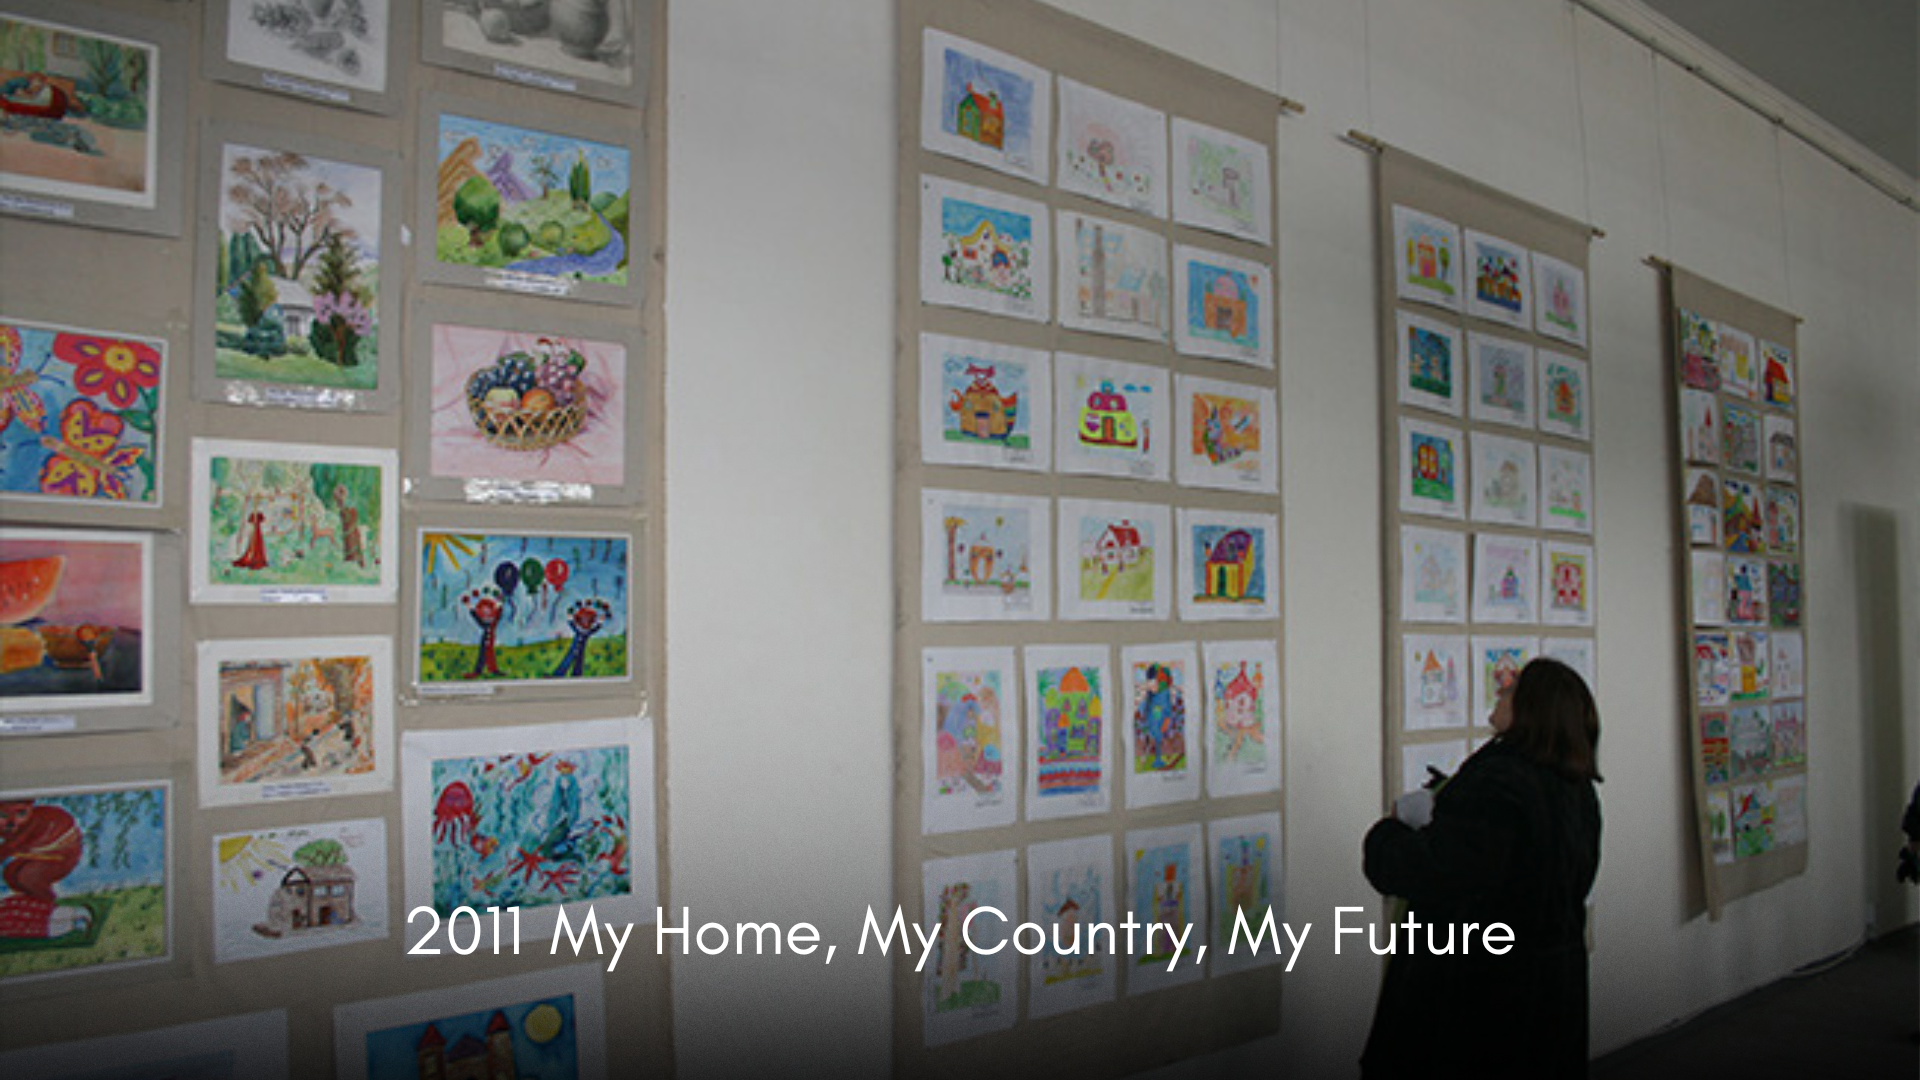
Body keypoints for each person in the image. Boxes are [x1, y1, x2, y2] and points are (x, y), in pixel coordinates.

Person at [1360, 657, 1603, 1079]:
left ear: (1531, 709)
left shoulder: (1501, 783)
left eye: (1512, 689)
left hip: (1478, 998)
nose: (1501, 689)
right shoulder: (1574, 787)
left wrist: (1389, 835)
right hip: (1548, 992)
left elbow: (1438, 872)